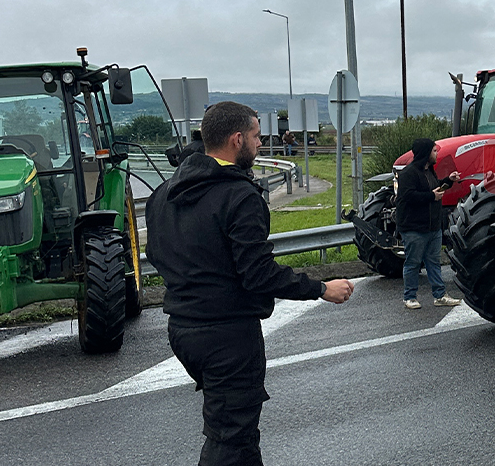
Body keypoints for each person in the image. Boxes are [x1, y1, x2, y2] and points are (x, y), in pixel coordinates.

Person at [147, 101, 354, 466]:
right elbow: (257, 273)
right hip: (228, 335)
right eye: (257, 136)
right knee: (231, 440)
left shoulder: (164, 193)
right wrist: (322, 289)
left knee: (236, 435)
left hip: (182, 328)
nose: (261, 144)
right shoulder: (240, 195)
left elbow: (157, 253)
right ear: (237, 139)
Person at [395, 138, 463, 309]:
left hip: (433, 227)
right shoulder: (408, 173)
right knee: (413, 262)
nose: (437, 153)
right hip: (414, 228)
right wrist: (431, 197)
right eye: (434, 150)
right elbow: (407, 197)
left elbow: (435, 188)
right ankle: (409, 297)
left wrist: (449, 180)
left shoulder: (429, 171)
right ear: (426, 153)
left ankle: (439, 296)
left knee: (434, 262)